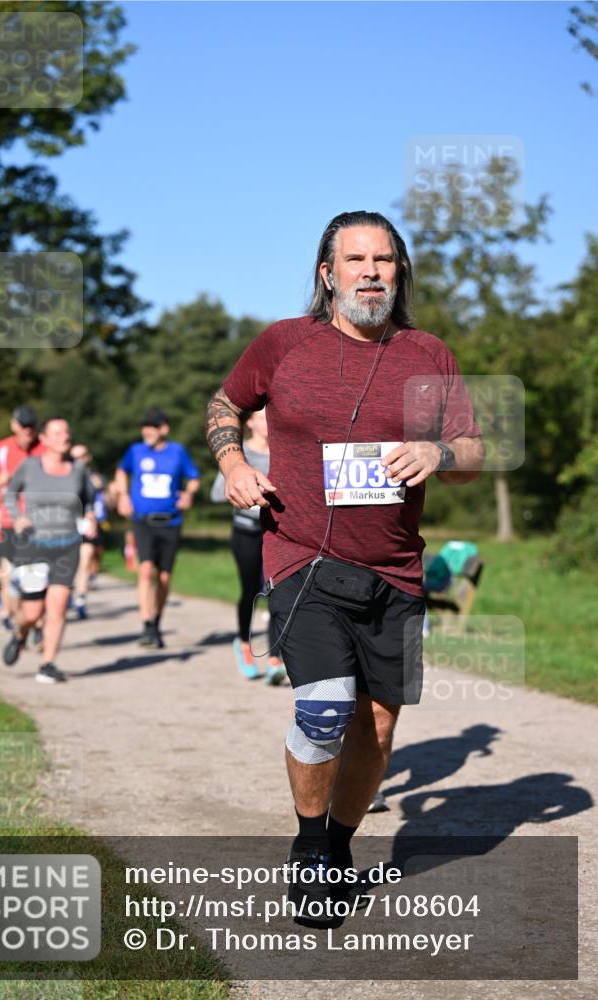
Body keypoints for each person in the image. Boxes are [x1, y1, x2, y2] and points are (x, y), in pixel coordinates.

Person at [206, 210, 484, 921]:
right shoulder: (282, 344)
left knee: (377, 729)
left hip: (394, 568)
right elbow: (225, 404)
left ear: (399, 271)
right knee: (325, 706)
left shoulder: (429, 354)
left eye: (383, 260)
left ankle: (338, 841)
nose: (370, 272)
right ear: (327, 274)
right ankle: (307, 850)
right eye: (355, 259)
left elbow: (472, 452)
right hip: (301, 556)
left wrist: (437, 454)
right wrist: (233, 459)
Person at [2, 418, 96, 683]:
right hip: (34, 546)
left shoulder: (78, 470)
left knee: (58, 606)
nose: (64, 436)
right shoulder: (30, 467)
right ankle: (19, 634)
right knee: (32, 612)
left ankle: (48, 663)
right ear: (43, 439)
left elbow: (90, 499)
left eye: (66, 431)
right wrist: (17, 516)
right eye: (57, 432)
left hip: (67, 545)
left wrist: (90, 517)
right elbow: (10, 493)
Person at [210, 408, 285, 684]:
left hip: (276, 532)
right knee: (250, 591)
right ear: (251, 422)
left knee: (278, 590)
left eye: (270, 417)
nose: (267, 423)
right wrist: (248, 490)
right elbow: (217, 492)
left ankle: (276, 658)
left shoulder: (282, 450)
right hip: (246, 531)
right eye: (261, 417)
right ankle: (244, 643)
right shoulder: (238, 455)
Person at [115, 409, 201, 648]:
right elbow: (122, 471)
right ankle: (145, 624)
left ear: (164, 429)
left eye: (152, 426)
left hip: (170, 522)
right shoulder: (135, 451)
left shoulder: (177, 452)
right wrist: (122, 495)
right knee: (145, 570)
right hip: (143, 521)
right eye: (145, 426)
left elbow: (193, 477)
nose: (147, 431)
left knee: (164, 576)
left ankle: (155, 622)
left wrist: (188, 494)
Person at [0, 405, 44, 629]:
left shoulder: (44, 449)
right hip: (9, 522)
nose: (28, 431)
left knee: (35, 575)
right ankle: (10, 615)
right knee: (4, 575)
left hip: (40, 523)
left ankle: (32, 622)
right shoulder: (2, 449)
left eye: (31, 426)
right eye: (23, 426)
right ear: (14, 425)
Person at [69, 443, 108, 620]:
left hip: (87, 523)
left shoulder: (95, 478)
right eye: (75, 457)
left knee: (85, 562)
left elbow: (103, 500)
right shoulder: (64, 475)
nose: (79, 460)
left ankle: (81, 600)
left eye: (82, 456)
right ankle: (67, 594)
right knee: (70, 565)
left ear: (88, 457)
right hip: (67, 525)